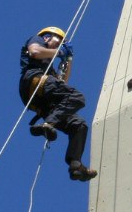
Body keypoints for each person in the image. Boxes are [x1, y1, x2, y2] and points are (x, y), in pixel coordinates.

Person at [19, 26, 97, 182]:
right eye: (59, 41)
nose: (60, 45)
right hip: (34, 81)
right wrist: (60, 52)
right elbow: (35, 51)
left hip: (41, 100)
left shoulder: (49, 67)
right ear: (48, 37)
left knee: (79, 124)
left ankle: (75, 165)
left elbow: (63, 83)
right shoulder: (38, 39)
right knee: (77, 97)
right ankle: (48, 124)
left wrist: (68, 59)